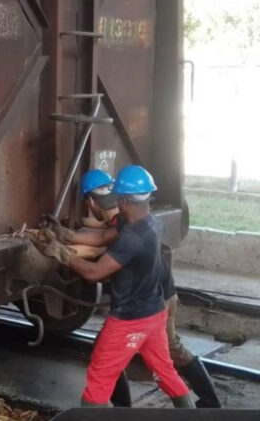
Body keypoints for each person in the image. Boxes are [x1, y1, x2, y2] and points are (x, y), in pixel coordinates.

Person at [56, 168, 221, 408]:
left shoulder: (132, 237)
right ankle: (190, 419)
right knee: (165, 370)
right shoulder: (148, 222)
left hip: (129, 319)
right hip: (154, 312)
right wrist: (67, 235)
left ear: (123, 200)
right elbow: (102, 237)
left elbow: (94, 273)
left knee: (100, 376)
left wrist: (61, 254)